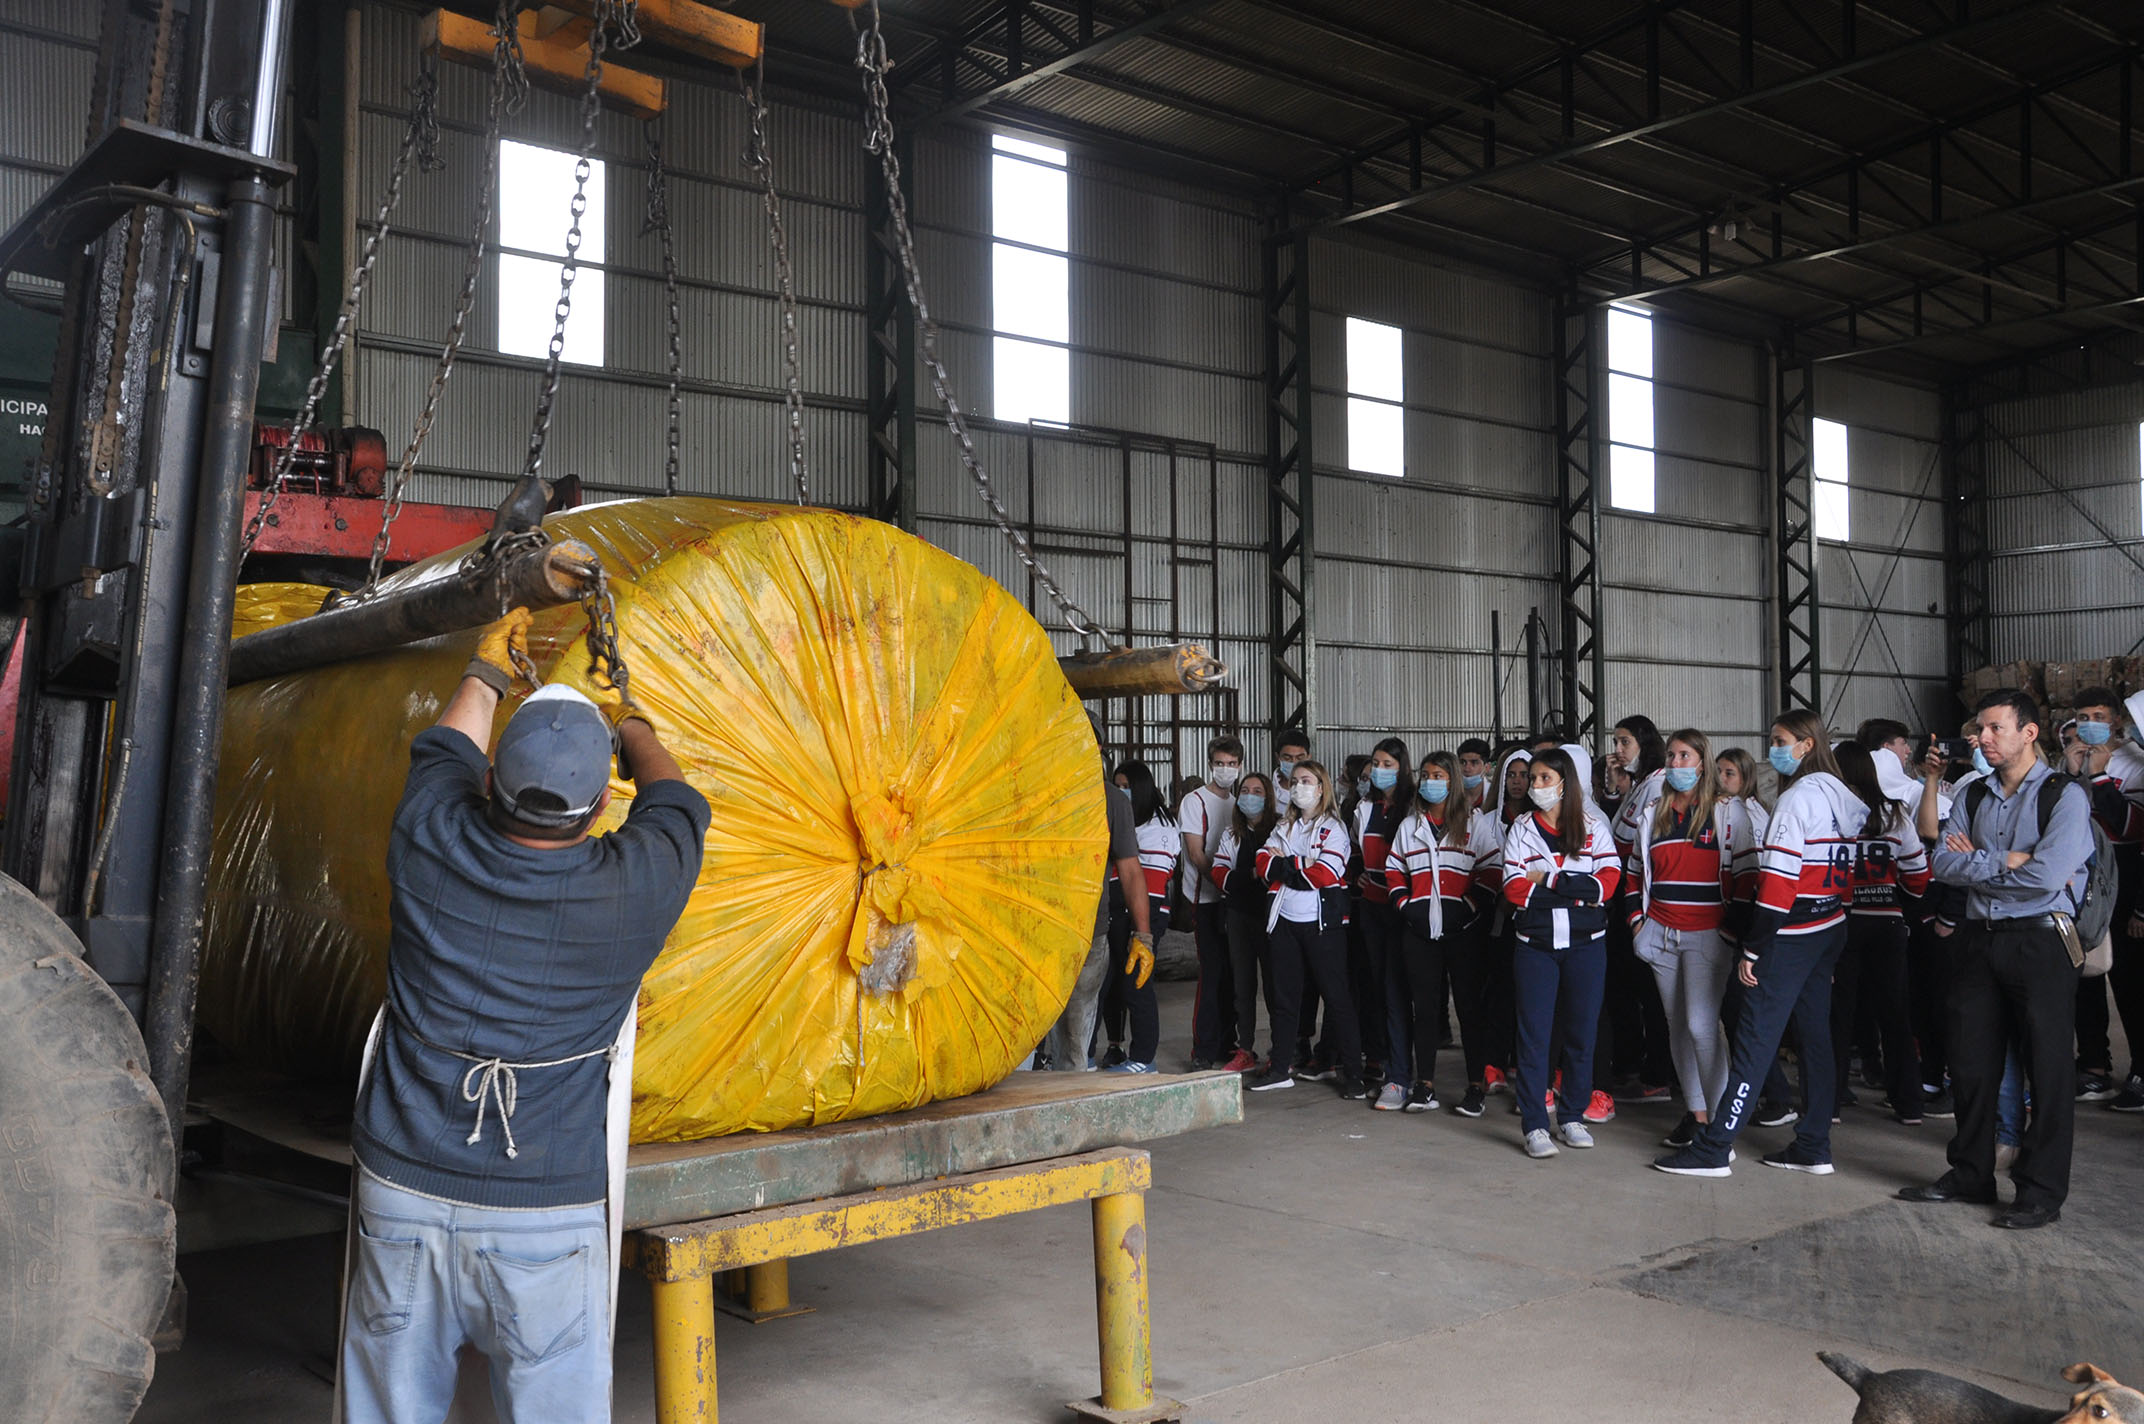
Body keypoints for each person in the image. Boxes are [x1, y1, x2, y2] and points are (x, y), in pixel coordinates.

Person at [338, 609, 710, 1424]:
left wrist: (486, 671)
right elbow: (679, 803)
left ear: (488, 785)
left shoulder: (427, 843)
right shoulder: (635, 890)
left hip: (402, 1191)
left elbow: (443, 751)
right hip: (546, 1213)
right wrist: (630, 723)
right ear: (600, 805)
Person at [1899, 690, 2094, 1230]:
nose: (1981, 739)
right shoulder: (1974, 794)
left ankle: (2040, 1191)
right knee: (1970, 1063)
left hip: (2041, 943)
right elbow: (1941, 864)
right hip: (1979, 939)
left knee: (2047, 1069)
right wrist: (2007, 859)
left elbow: (2047, 877)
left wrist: (1981, 866)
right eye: (1979, 729)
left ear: (2028, 733)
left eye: (1993, 729)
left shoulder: (2063, 797)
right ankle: (1970, 1173)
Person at [1654, 710, 1864, 1179]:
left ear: (1807, 745)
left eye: (1780, 741)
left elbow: (1778, 885)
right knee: (1814, 1036)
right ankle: (1814, 1144)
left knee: (1754, 1041)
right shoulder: (1841, 796)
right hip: (1828, 925)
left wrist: (1754, 948)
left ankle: (1714, 1147)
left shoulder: (1797, 799)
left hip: (1791, 934)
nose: (1773, 750)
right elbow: (1844, 877)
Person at [1501, 747, 1620, 1158]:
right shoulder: (1521, 829)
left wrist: (1548, 879)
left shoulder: (1593, 827)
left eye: (1544, 779)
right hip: (1536, 949)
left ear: (1565, 783)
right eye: (1532, 778)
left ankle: (1571, 1116)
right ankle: (1535, 1125)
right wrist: (1577, 892)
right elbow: (1514, 889)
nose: (1535, 786)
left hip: (1586, 948)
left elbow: (1606, 886)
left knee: (1581, 1033)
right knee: (1534, 1037)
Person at [1625, 730, 1740, 1151]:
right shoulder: (1654, 813)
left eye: (1685, 756)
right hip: (1661, 932)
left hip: (1706, 935)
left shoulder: (1725, 811)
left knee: (1701, 1026)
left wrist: (1730, 930)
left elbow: (1747, 874)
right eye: (1671, 756)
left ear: (1702, 762)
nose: (1676, 764)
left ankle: (1720, 1124)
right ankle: (1697, 1114)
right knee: (1677, 1026)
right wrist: (1638, 924)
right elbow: (1634, 874)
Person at [1387, 750, 1501, 1114]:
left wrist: (1467, 906)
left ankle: (1475, 1087)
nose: (1430, 782)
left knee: (1469, 1009)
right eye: (1426, 775)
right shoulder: (1410, 826)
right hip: (1419, 932)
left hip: (1463, 933)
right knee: (1425, 1010)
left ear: (1452, 781)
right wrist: (1406, 906)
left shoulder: (1473, 824)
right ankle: (1425, 1085)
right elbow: (1394, 870)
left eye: (1438, 776)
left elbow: (1492, 871)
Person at [1826, 741, 1932, 1126]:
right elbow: (1918, 876)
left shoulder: (1831, 812)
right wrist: (1898, 900)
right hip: (1887, 923)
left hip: (1841, 923)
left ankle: (1830, 1103)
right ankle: (1909, 1104)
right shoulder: (1895, 813)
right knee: (1895, 1014)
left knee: (1839, 1015)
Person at [1248, 760, 1363, 1097]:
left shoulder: (1334, 829)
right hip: (1284, 923)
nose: (1299, 787)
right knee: (1285, 1000)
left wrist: (1284, 864)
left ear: (1321, 788)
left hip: (1323, 927)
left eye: (1306, 781)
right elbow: (1262, 864)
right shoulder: (1284, 826)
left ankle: (1353, 1074)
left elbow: (1325, 875)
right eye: (1295, 781)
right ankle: (1280, 1068)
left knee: (1337, 998)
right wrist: (1300, 863)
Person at [1044, 724, 1154, 1073]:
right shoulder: (1032, 792)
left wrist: (1143, 935)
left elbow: (1131, 870)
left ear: (1099, 748)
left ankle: (1068, 1093)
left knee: (1074, 1038)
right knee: (1019, 1037)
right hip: (1031, 932)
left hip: (1086, 935)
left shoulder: (1111, 801)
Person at [2064, 686, 2144, 1110]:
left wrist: (2098, 778)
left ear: (2116, 720)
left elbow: (2130, 827)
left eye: (2099, 716)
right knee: (2086, 977)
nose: (2091, 724)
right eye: (2083, 717)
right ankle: (2094, 1066)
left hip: (2125, 882)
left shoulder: (2134, 763)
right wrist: (2072, 774)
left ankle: (2141, 1071)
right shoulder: (2071, 763)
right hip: (2082, 885)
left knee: (2131, 984)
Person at [1178, 735, 1247, 1071]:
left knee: (1233, 975)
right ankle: (1203, 1048)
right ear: (1210, 764)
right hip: (1205, 899)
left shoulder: (1239, 803)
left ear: (1240, 766)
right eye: (1220, 763)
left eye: (1232, 764)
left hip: (1231, 901)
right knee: (1211, 973)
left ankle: (1226, 1042)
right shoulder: (1195, 802)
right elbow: (1196, 853)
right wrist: (1223, 883)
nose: (1226, 769)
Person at [1102, 762, 1173, 1074]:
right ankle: (1114, 1047)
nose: (1121, 792)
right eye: (1117, 786)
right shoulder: (1120, 819)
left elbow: (1151, 884)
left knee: (1137, 984)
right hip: (1115, 912)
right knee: (1110, 984)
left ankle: (1144, 1058)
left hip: (1146, 914)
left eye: (1127, 786)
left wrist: (1141, 930)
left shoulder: (1160, 827)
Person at [1211, 773, 1280, 1075]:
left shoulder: (1280, 829)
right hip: (1239, 917)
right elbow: (1219, 875)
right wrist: (1252, 874)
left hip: (1272, 917)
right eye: (1245, 791)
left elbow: (1279, 873)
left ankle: (1281, 1050)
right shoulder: (1232, 833)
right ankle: (1245, 1049)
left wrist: (1242, 878)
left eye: (1257, 791)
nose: (1250, 796)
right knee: (1243, 985)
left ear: (1268, 797)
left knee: (1276, 986)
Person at [1358, 737, 1414, 1107]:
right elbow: (1356, 849)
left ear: (1402, 768)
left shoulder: (1413, 808)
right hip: (1370, 908)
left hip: (1401, 910)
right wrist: (1362, 875)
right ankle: (1378, 1062)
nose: (1379, 770)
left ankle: (1400, 1077)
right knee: (1375, 989)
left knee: (1396, 993)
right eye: (1376, 764)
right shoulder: (1365, 807)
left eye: (1387, 764)